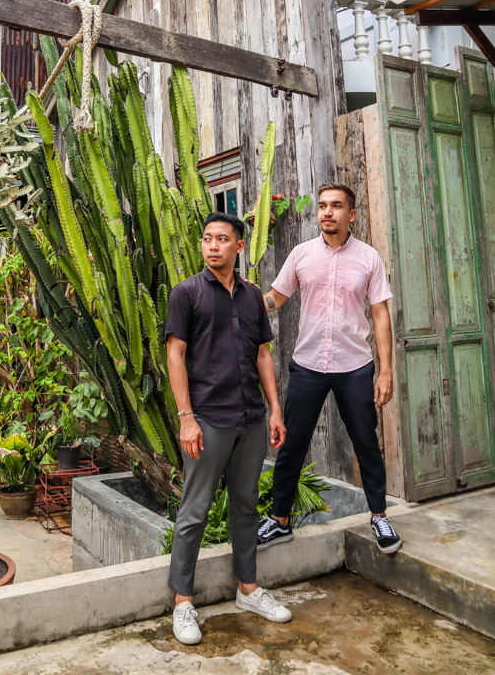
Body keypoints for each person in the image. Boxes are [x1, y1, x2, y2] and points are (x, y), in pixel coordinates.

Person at [166, 212, 292, 646]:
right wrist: (186, 417)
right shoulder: (186, 293)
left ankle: (248, 589)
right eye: (207, 239)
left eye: (222, 239)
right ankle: (183, 602)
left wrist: (275, 410)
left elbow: (262, 355)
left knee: (245, 505)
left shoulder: (253, 296)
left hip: (251, 417)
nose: (212, 246)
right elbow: (175, 355)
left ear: (239, 246)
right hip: (208, 419)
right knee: (194, 511)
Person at [257, 183, 402, 556]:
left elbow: (380, 314)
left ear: (350, 214)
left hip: (354, 366)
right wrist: (244, 298)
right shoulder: (302, 254)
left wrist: (386, 371)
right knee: (292, 444)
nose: (327, 212)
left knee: (366, 442)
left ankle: (379, 516)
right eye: (322, 205)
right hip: (308, 365)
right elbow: (276, 297)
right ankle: (279, 520)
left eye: (336, 206)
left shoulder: (369, 258)